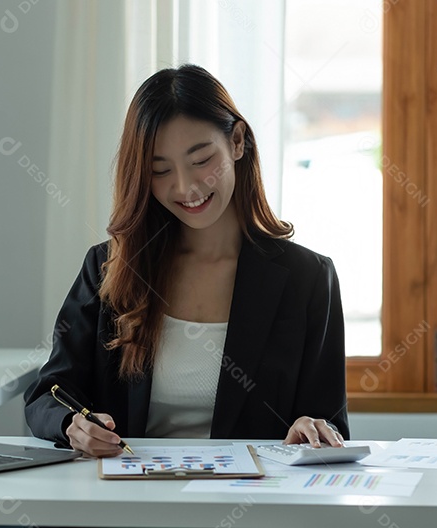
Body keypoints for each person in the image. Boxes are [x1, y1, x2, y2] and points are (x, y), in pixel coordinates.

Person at [24, 64, 348, 457]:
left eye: (201, 160)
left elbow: (329, 421)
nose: (185, 187)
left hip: (251, 504)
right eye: (161, 170)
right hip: (130, 498)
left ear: (238, 142)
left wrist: (312, 427)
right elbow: (48, 393)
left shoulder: (308, 278)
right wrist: (72, 425)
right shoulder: (111, 268)